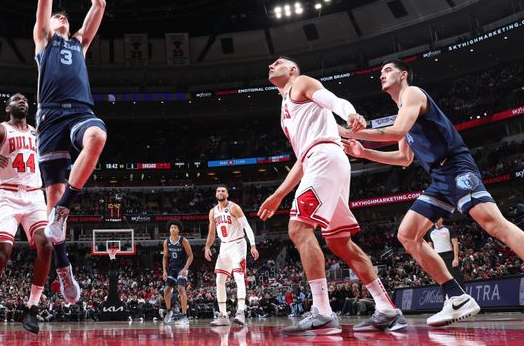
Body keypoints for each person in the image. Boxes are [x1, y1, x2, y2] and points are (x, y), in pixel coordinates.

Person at [341, 59, 524, 326]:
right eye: (380, 72)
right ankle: (457, 298)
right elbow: (404, 158)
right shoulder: (402, 109)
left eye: (388, 70)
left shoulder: (412, 94)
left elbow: (397, 131)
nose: (382, 74)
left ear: (403, 75)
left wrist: (350, 133)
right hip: (439, 178)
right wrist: (364, 152)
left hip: (456, 167)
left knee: (494, 224)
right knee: (407, 235)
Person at [259, 56, 406, 335]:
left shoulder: (300, 83)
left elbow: (334, 100)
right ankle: (387, 309)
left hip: (324, 158)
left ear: (292, 69)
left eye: (278, 62)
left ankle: (323, 312)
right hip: (323, 159)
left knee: (299, 228)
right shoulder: (289, 108)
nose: (271, 66)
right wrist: (279, 194)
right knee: (339, 242)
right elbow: (302, 160)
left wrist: (349, 113)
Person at [33, 0, 107, 303]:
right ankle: (64, 272)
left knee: (97, 138)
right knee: (48, 215)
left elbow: (100, 4)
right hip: (49, 121)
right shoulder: (43, 40)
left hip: (79, 113)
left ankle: (65, 209)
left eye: (65, 15)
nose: (61, 16)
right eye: (56, 15)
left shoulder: (79, 43)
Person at [0, 93, 53, 336]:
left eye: (25, 99)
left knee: (46, 245)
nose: (22, 101)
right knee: (1, 255)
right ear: (8, 107)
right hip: (6, 196)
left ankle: (32, 307)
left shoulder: (36, 133)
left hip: (34, 195)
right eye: (16, 99)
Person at [204, 186, 259, 327]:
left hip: (238, 244)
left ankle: (241, 311)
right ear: (215, 194)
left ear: (227, 194)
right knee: (219, 280)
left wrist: (252, 244)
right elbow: (211, 233)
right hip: (224, 246)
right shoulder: (213, 212)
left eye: (223, 191)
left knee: (239, 277)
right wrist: (207, 247)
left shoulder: (234, 207)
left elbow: (246, 226)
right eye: (218, 191)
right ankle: (223, 315)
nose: (220, 193)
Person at [162, 220, 193, 324]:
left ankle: (184, 315)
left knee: (180, 288)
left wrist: (185, 269)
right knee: (166, 290)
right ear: (169, 230)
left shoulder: (183, 241)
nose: (173, 229)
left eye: (175, 227)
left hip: (182, 269)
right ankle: (169, 311)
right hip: (171, 269)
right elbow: (165, 257)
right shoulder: (166, 241)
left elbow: (190, 256)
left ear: (178, 230)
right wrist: (164, 271)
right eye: (171, 227)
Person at [428, 218, 465, 286]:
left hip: (449, 255)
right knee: (442, 279)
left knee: (457, 276)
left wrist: (456, 258)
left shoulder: (448, 229)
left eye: (437, 218)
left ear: (441, 219)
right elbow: (430, 248)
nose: (435, 221)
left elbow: (455, 243)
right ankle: (446, 296)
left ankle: (463, 294)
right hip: (438, 257)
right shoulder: (430, 231)